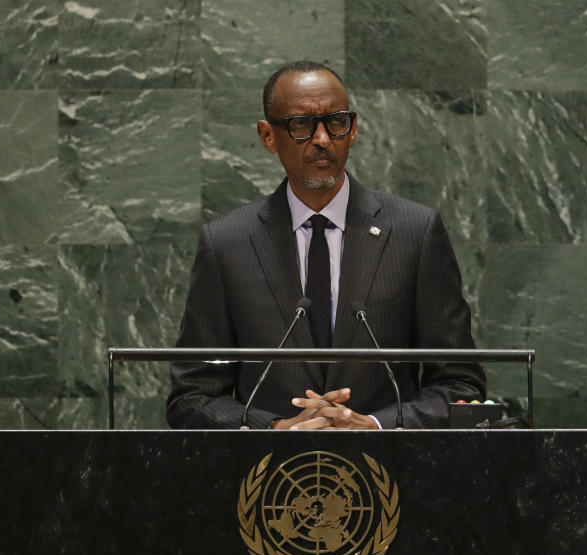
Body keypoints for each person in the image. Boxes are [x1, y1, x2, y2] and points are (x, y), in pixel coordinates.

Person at [167, 60, 484, 430]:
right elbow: (192, 397)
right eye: (301, 124)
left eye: (335, 122)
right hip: (270, 478)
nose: (321, 139)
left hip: (390, 474)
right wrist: (272, 428)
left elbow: (462, 387)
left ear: (352, 130)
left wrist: (377, 426)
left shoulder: (415, 233)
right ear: (267, 136)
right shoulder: (226, 243)